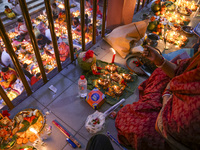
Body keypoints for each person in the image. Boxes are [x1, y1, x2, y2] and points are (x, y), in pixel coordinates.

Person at [115, 45, 200, 150]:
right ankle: (149, 102)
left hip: (170, 132)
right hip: (173, 97)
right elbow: (180, 72)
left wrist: (166, 95)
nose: (198, 47)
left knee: (128, 120)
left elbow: (176, 125)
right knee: (160, 73)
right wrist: (159, 60)